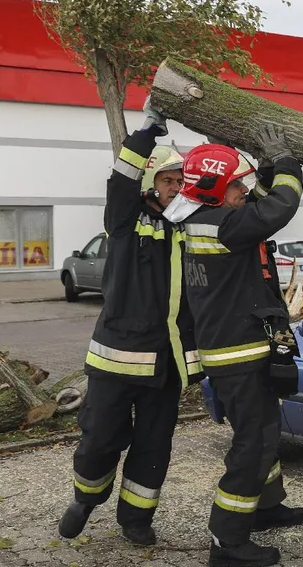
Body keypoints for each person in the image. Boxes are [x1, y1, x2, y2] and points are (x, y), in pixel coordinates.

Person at [59, 100, 202, 546]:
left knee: (154, 449)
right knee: (100, 437)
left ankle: (136, 519)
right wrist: (146, 136)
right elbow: (119, 178)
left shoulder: (192, 224)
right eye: (167, 180)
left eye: (180, 181)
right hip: (117, 358)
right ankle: (86, 497)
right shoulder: (125, 220)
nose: (175, 187)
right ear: (149, 183)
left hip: (167, 365)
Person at [164, 124, 303, 567]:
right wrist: (283, 162)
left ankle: (266, 507)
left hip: (236, 349)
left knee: (264, 431)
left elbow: (256, 207)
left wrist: (260, 170)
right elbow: (279, 206)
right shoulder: (227, 225)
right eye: (237, 185)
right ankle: (227, 541)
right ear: (217, 190)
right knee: (255, 443)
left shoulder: (205, 217)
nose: (244, 190)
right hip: (239, 355)